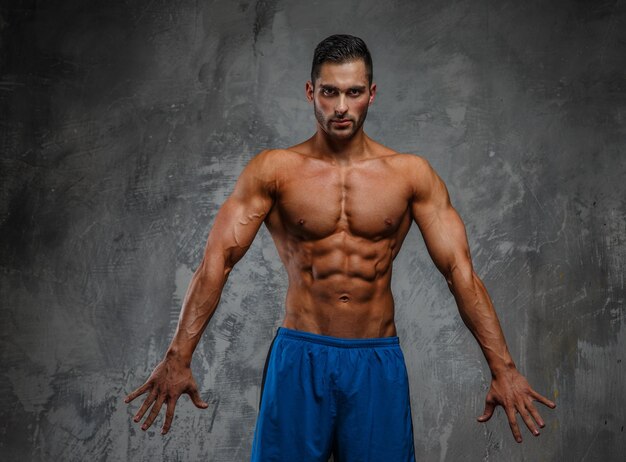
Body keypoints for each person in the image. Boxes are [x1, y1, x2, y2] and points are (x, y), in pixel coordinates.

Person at [125, 34, 556, 460]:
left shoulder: (410, 175)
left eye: (353, 92)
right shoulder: (274, 170)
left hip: (375, 362)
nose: (341, 107)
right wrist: (178, 356)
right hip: (300, 358)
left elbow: (459, 272)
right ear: (312, 92)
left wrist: (504, 369)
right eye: (329, 92)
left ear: (372, 94)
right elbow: (216, 261)